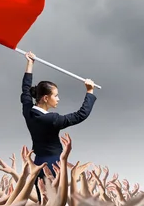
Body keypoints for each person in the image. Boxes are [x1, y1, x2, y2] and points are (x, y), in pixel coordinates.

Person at [20, 51, 97, 203]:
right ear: (46, 98)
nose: (58, 99)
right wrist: (89, 91)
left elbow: (25, 91)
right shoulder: (51, 119)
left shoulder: (28, 112)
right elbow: (80, 115)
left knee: (44, 201)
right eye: (56, 95)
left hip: (38, 163)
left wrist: (29, 64)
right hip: (53, 165)